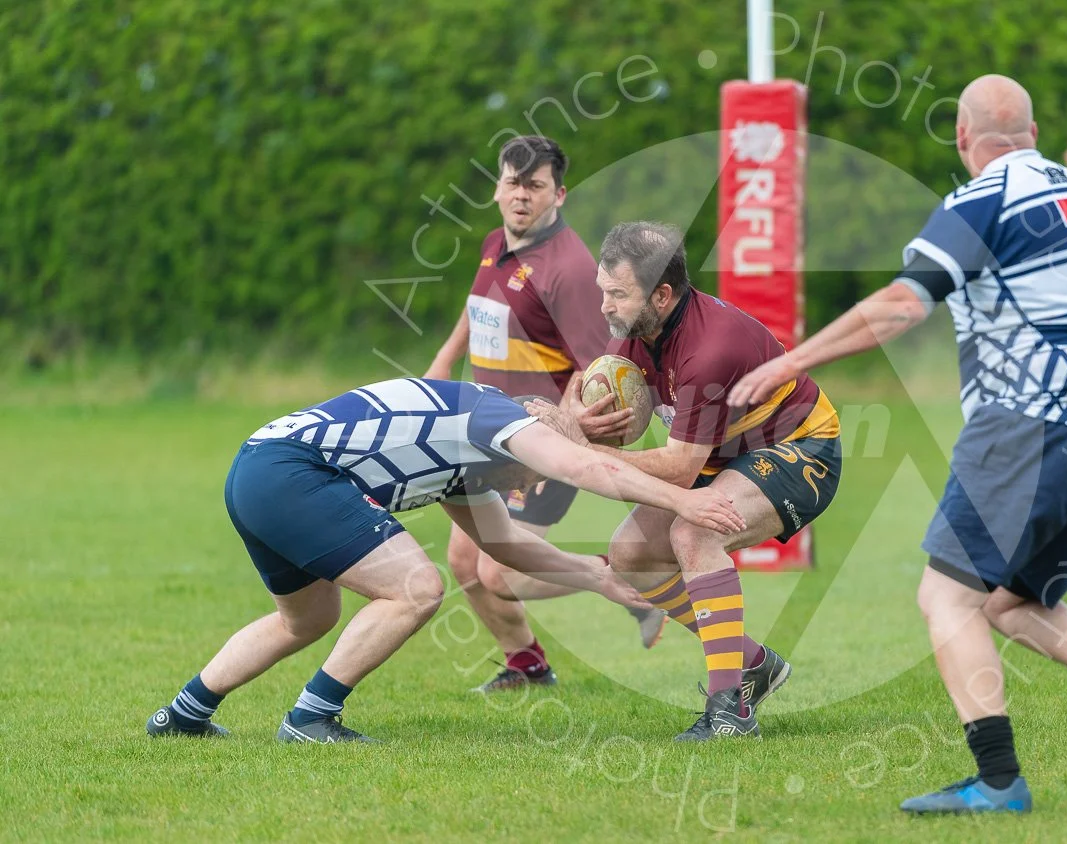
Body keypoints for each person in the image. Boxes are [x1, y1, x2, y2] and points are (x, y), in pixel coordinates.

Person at [732, 74, 1067, 814]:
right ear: (1034, 135)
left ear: (964, 140)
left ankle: (998, 780)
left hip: (1030, 416)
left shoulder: (978, 201)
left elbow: (904, 304)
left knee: (946, 595)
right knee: (1012, 600)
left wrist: (789, 360)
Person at [145, 378, 744, 743]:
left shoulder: (469, 453)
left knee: (305, 619)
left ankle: (183, 715)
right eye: (530, 472)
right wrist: (680, 496)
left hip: (256, 469)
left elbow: (504, 545)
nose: (528, 486)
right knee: (416, 589)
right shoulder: (498, 421)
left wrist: (599, 579)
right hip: (292, 475)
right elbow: (585, 468)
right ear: (525, 443)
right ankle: (311, 718)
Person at [529, 221, 842, 741]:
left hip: (801, 452)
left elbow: (677, 468)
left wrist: (583, 449)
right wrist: (573, 424)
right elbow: (611, 422)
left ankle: (731, 712)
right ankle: (753, 664)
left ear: (663, 294)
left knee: (695, 533)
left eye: (618, 294)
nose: (605, 306)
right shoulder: (635, 334)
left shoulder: (709, 349)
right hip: (725, 459)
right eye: (602, 291)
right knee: (630, 554)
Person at [424, 135, 665, 694]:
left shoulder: (570, 269)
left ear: (559, 193)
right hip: (485, 435)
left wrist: (558, 438)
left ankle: (632, 574)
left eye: (535, 186)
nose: (521, 195)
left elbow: (598, 365)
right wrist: (442, 362)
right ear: (496, 189)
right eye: (513, 182)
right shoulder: (495, 245)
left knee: (499, 573)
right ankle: (527, 664)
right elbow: (478, 307)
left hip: (536, 440)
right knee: (465, 562)